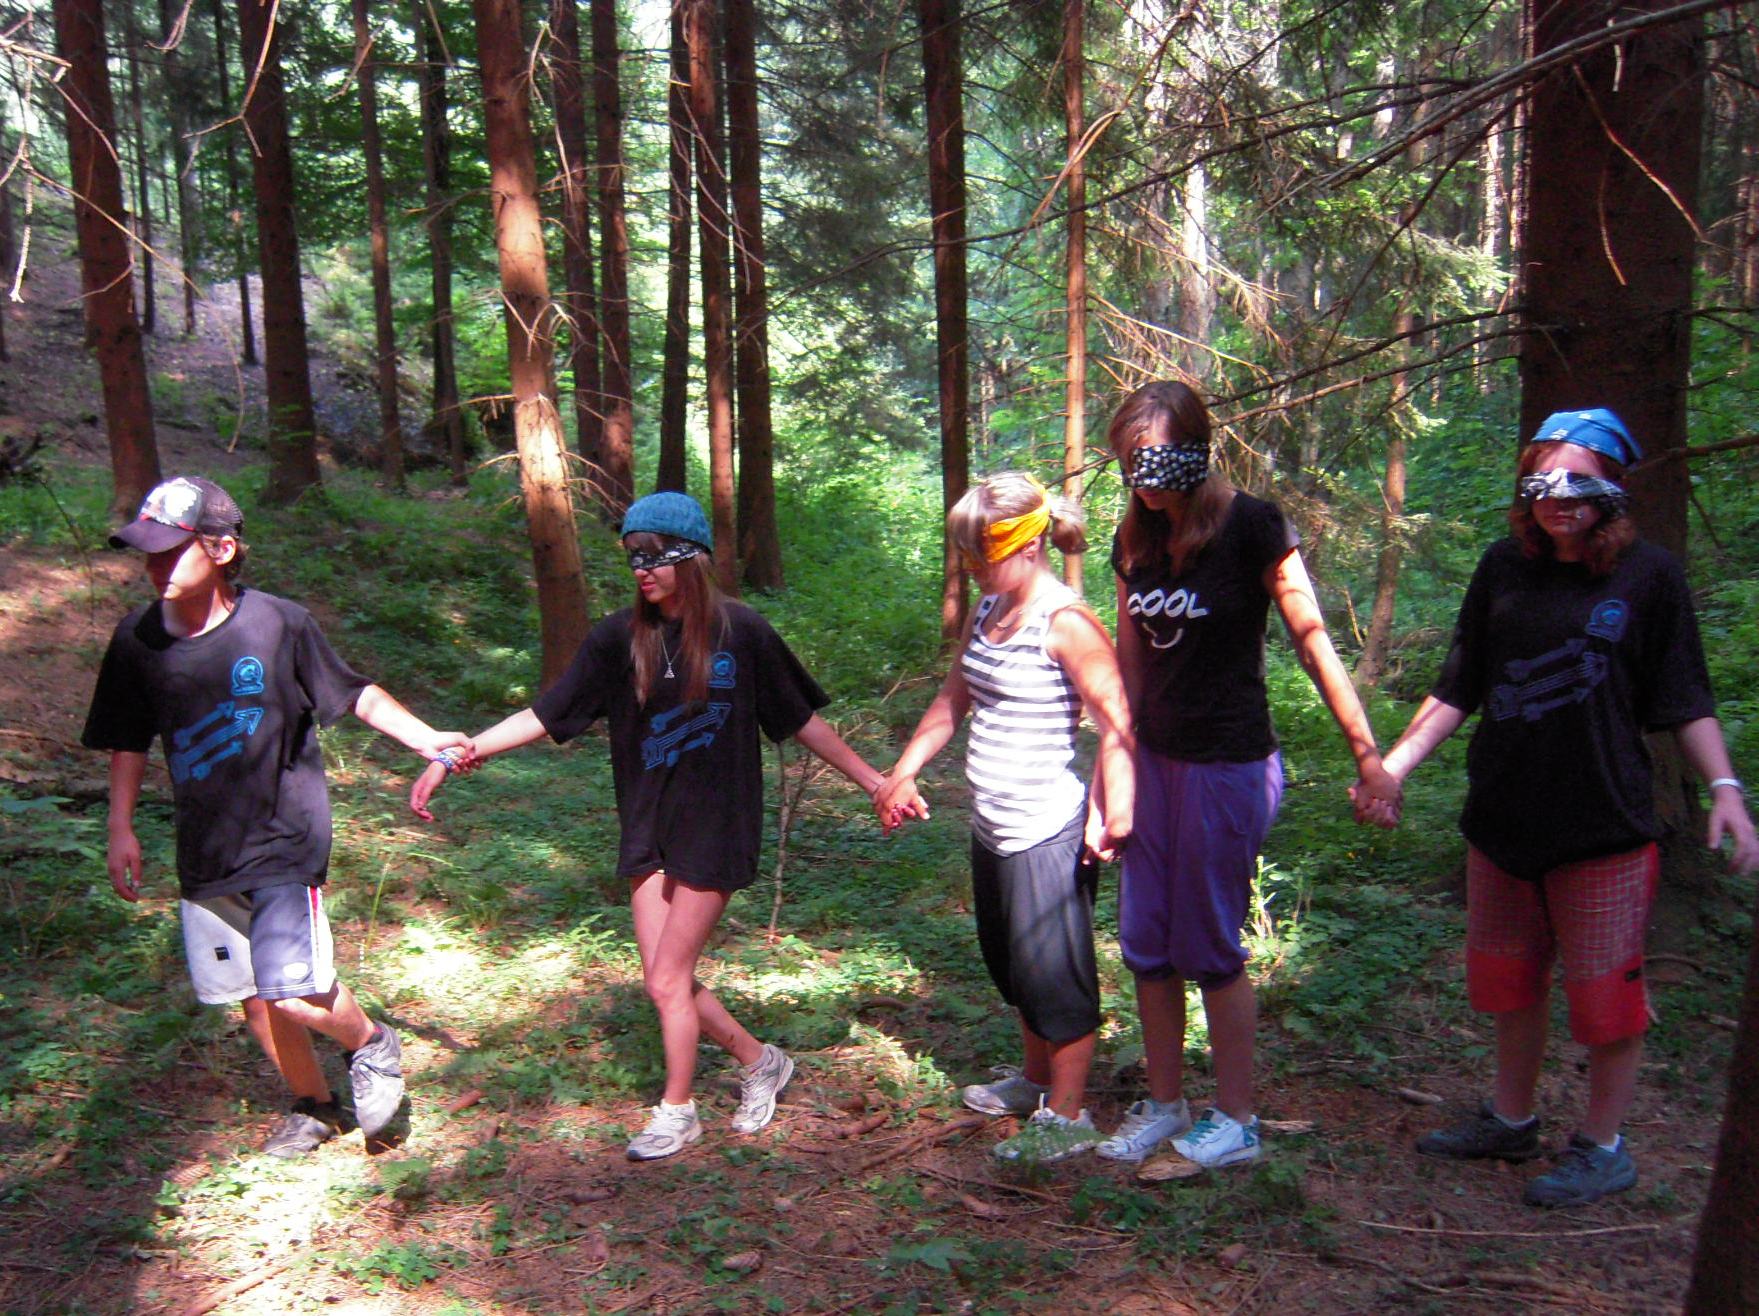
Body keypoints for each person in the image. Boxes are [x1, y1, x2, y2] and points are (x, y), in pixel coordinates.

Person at [411, 492, 910, 1161]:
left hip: (717, 823)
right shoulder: (618, 638)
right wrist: (460, 751)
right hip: (648, 822)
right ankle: (761, 1061)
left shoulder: (742, 632)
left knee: (669, 978)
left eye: (653, 555)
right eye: (632, 557)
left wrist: (876, 782)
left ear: (691, 556)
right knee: (662, 978)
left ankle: (678, 1111)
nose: (641, 569)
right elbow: (546, 714)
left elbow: (800, 721)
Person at [1363, 408, 1759, 1207]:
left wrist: (1724, 790)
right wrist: (1391, 767)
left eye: (1580, 481)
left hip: (1603, 825)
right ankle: (1510, 1119)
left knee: (1606, 998)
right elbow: (1459, 685)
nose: (1558, 497)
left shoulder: (1648, 576)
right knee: (1507, 982)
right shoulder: (1502, 568)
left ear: (1613, 487)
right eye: (1542, 481)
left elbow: (1684, 695)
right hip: (1503, 820)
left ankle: (1602, 1147)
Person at [82, 476, 472, 1157]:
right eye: (147, 552)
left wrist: (426, 738)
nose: (155, 565)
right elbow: (127, 740)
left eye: (171, 551)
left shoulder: (278, 624)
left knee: (292, 990)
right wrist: (121, 826)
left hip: (284, 835)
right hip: (206, 846)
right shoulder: (137, 641)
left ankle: (371, 1042)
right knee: (254, 996)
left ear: (222, 549)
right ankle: (314, 1105)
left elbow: (352, 693)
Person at [1096, 381, 1401, 1169]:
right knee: (1145, 941)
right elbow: (1127, 673)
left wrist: (1367, 756)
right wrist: (1109, 778)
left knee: (1206, 942)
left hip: (1227, 765)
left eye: (1156, 458)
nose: (1142, 477)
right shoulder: (1133, 538)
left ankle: (1236, 1119)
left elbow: (1312, 639)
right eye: (1129, 461)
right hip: (1154, 763)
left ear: (1197, 450)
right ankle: (1166, 1103)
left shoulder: (1252, 525)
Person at [876, 472, 1135, 1165]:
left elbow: (1117, 720)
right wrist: (905, 769)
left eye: (978, 554)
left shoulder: (1067, 622)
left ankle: (1068, 1115)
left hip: (1045, 828)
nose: (968, 568)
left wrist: (1110, 812)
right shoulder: (989, 609)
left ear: (1025, 545)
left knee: (1054, 975)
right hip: (992, 825)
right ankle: (1035, 1080)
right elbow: (952, 697)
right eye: (963, 554)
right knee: (1011, 962)